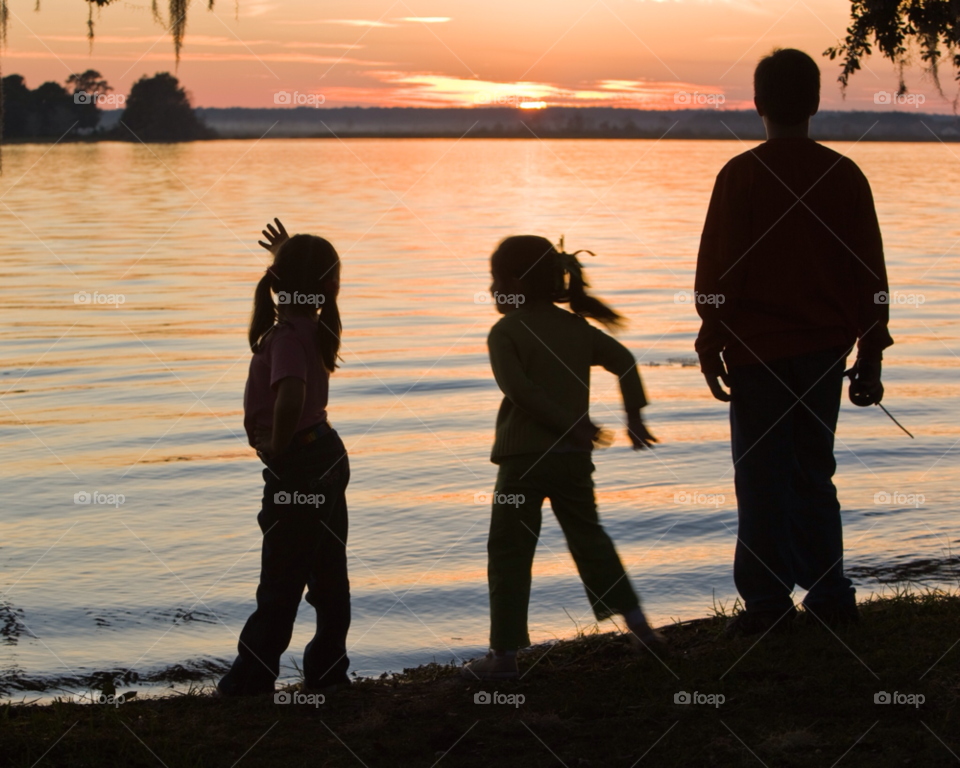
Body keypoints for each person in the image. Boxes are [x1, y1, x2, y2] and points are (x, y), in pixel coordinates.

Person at [694, 49, 892, 636]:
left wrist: (711, 344)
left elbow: (716, 274)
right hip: (823, 356)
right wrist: (871, 354)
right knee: (812, 473)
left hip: (757, 354)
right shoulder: (844, 175)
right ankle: (829, 597)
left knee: (759, 479)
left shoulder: (740, 175)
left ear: (756, 105)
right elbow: (870, 277)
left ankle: (766, 607)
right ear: (816, 102)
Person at [462, 235, 664, 681]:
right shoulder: (576, 329)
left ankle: (504, 658)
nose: (493, 290)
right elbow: (626, 362)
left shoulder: (506, 332)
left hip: (523, 463)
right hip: (572, 460)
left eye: (495, 281)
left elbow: (520, 392)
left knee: (509, 553)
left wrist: (569, 424)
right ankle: (642, 631)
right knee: (590, 540)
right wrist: (633, 418)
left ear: (514, 282)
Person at [218, 219, 352, 695]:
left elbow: (290, 395)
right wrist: (287, 252)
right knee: (328, 571)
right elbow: (302, 280)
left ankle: (251, 680)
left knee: (281, 575)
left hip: (299, 465)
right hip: (326, 457)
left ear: (276, 282)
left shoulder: (288, 338)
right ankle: (328, 670)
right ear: (327, 287)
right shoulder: (311, 326)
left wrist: (275, 442)